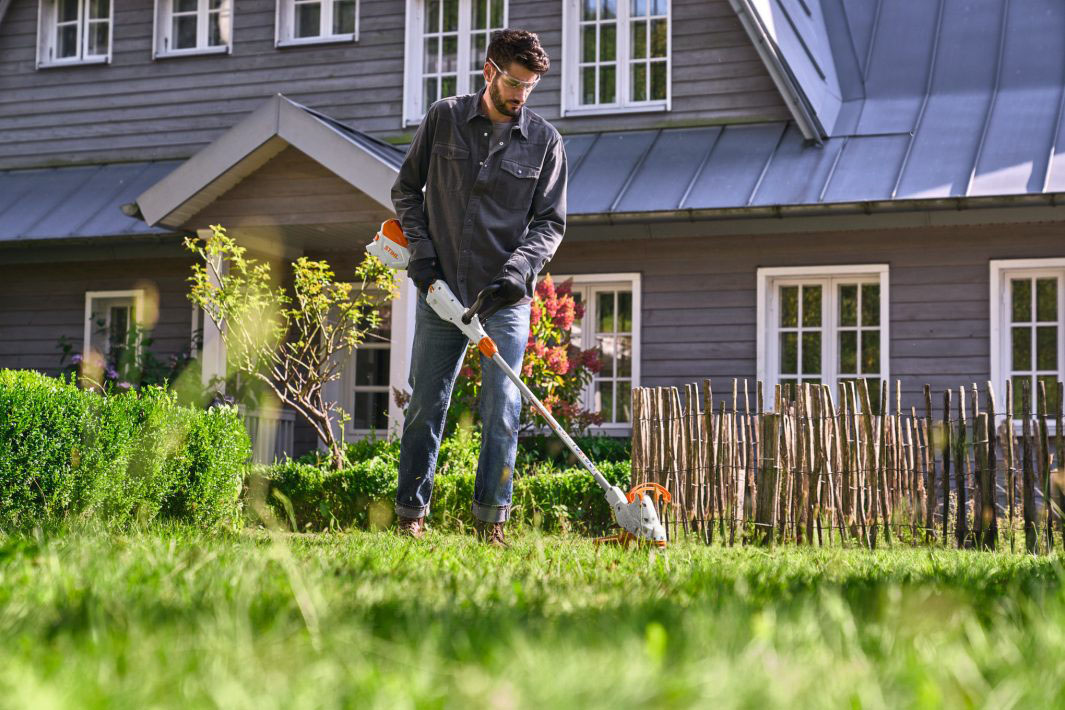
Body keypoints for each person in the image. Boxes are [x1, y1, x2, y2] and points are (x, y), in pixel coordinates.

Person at [390, 29, 567, 546]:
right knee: (426, 403)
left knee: (503, 409)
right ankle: (409, 517)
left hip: (505, 298)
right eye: (514, 82)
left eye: (530, 87)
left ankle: (491, 521)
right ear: (490, 71)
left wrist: (517, 274)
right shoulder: (444, 118)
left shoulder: (545, 142)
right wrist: (421, 254)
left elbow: (549, 225)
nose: (520, 95)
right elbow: (406, 190)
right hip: (443, 290)